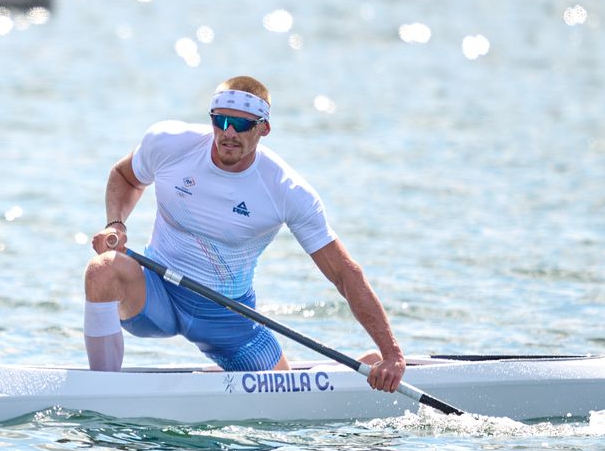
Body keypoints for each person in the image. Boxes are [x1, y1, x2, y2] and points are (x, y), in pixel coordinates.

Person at [83, 76, 406, 393]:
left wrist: (392, 355)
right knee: (103, 271)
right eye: (221, 121)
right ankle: (101, 390)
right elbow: (125, 176)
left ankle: (357, 367)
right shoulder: (169, 143)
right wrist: (116, 224)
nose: (228, 133)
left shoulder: (285, 190)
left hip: (225, 313)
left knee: (285, 396)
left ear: (264, 128)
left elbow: (344, 273)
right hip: (157, 290)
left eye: (242, 125)